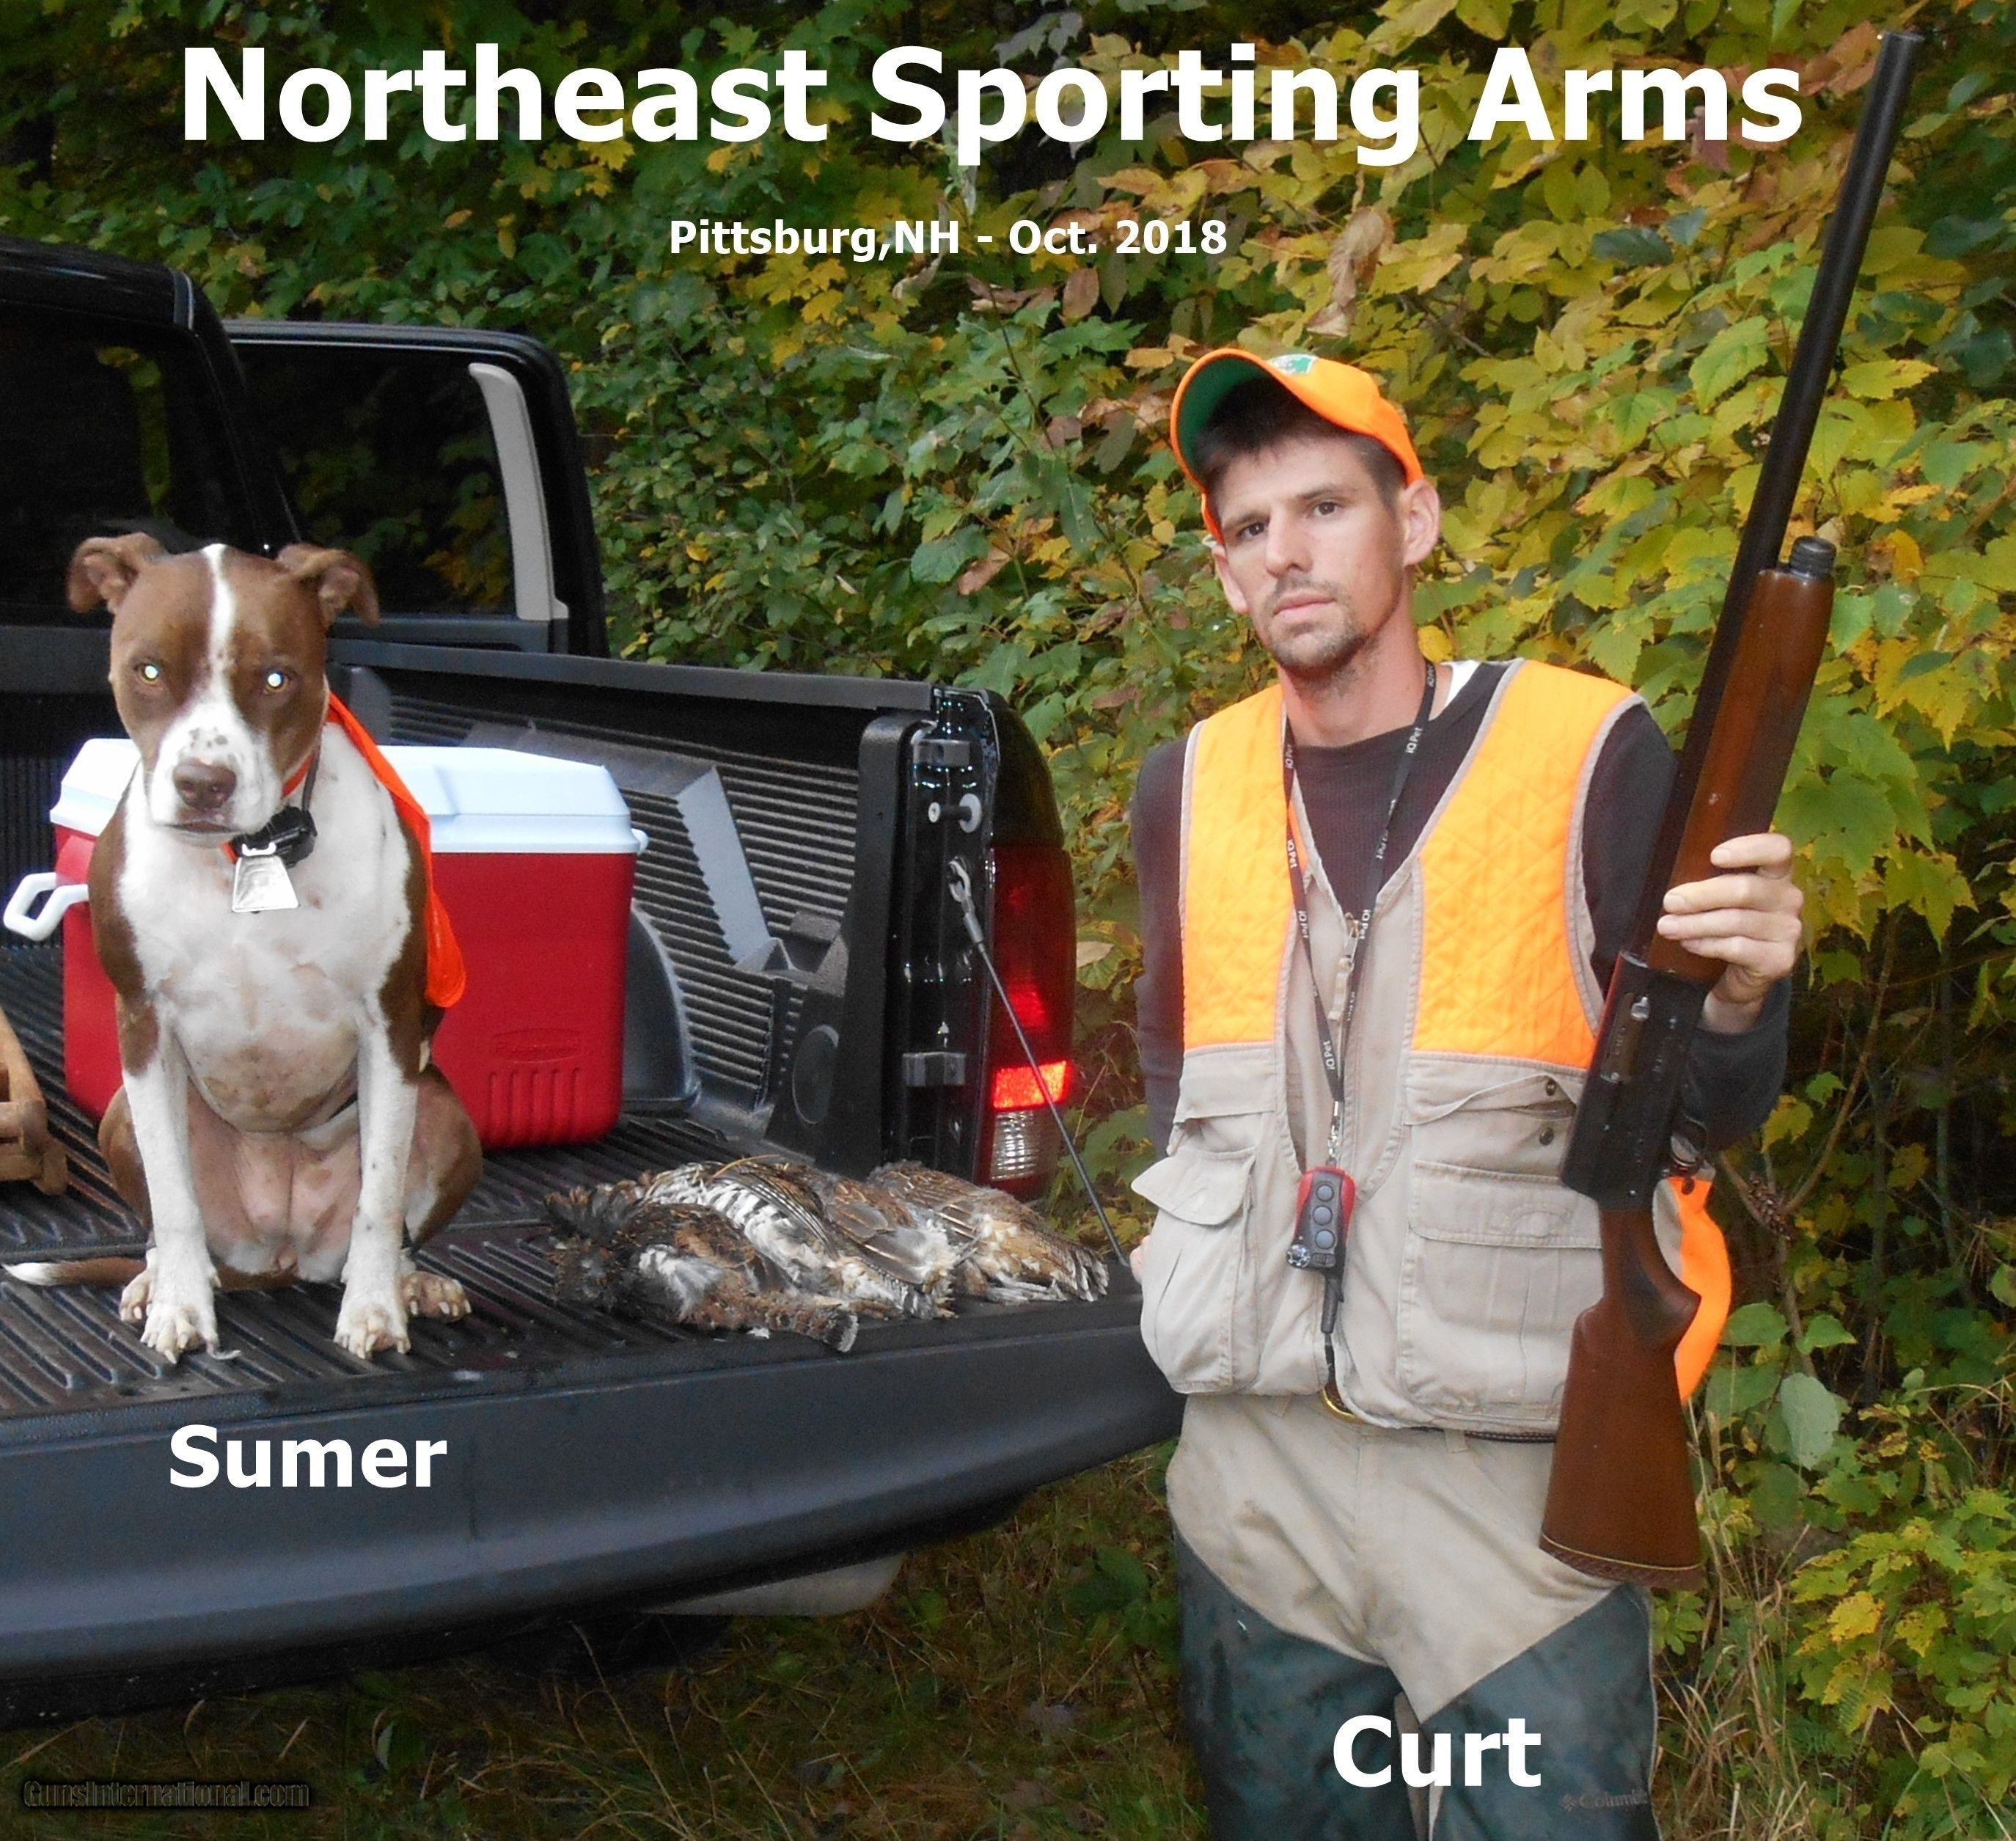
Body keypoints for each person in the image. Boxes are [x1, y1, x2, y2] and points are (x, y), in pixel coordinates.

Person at [1127, 348, 1804, 1840]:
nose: (1286, 552)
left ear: (1415, 522)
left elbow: (1692, 1111)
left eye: (1326, 506)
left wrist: (1740, 998)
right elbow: (1174, 1077)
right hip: (1256, 1487)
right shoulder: (1187, 784)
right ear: (1225, 572)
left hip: (1511, 1495)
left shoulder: (1585, 750)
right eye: (1249, 527)